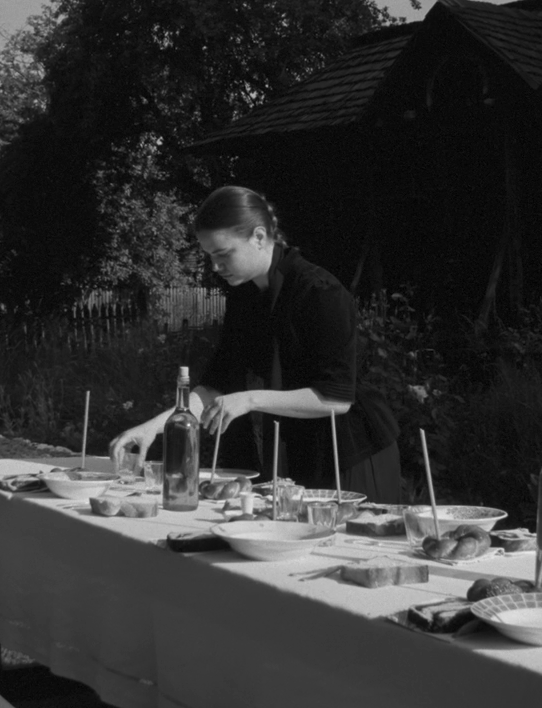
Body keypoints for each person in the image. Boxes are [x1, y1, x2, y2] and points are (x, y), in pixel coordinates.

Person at [110, 186, 401, 501]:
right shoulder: (245, 297)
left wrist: (248, 400)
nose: (215, 267)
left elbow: (336, 399)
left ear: (259, 237)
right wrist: (156, 426)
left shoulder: (321, 293)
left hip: (354, 451)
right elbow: (217, 384)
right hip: (299, 449)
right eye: (209, 256)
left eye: (223, 254)